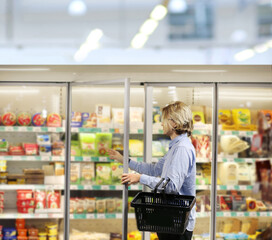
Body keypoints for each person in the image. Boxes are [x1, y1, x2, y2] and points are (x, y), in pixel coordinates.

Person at [107, 101, 196, 240]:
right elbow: (154, 169)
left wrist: (140, 178)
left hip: (178, 221)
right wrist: (125, 160)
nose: (161, 124)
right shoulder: (175, 147)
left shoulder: (182, 149)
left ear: (174, 123)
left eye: (164, 120)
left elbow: (172, 186)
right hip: (170, 217)